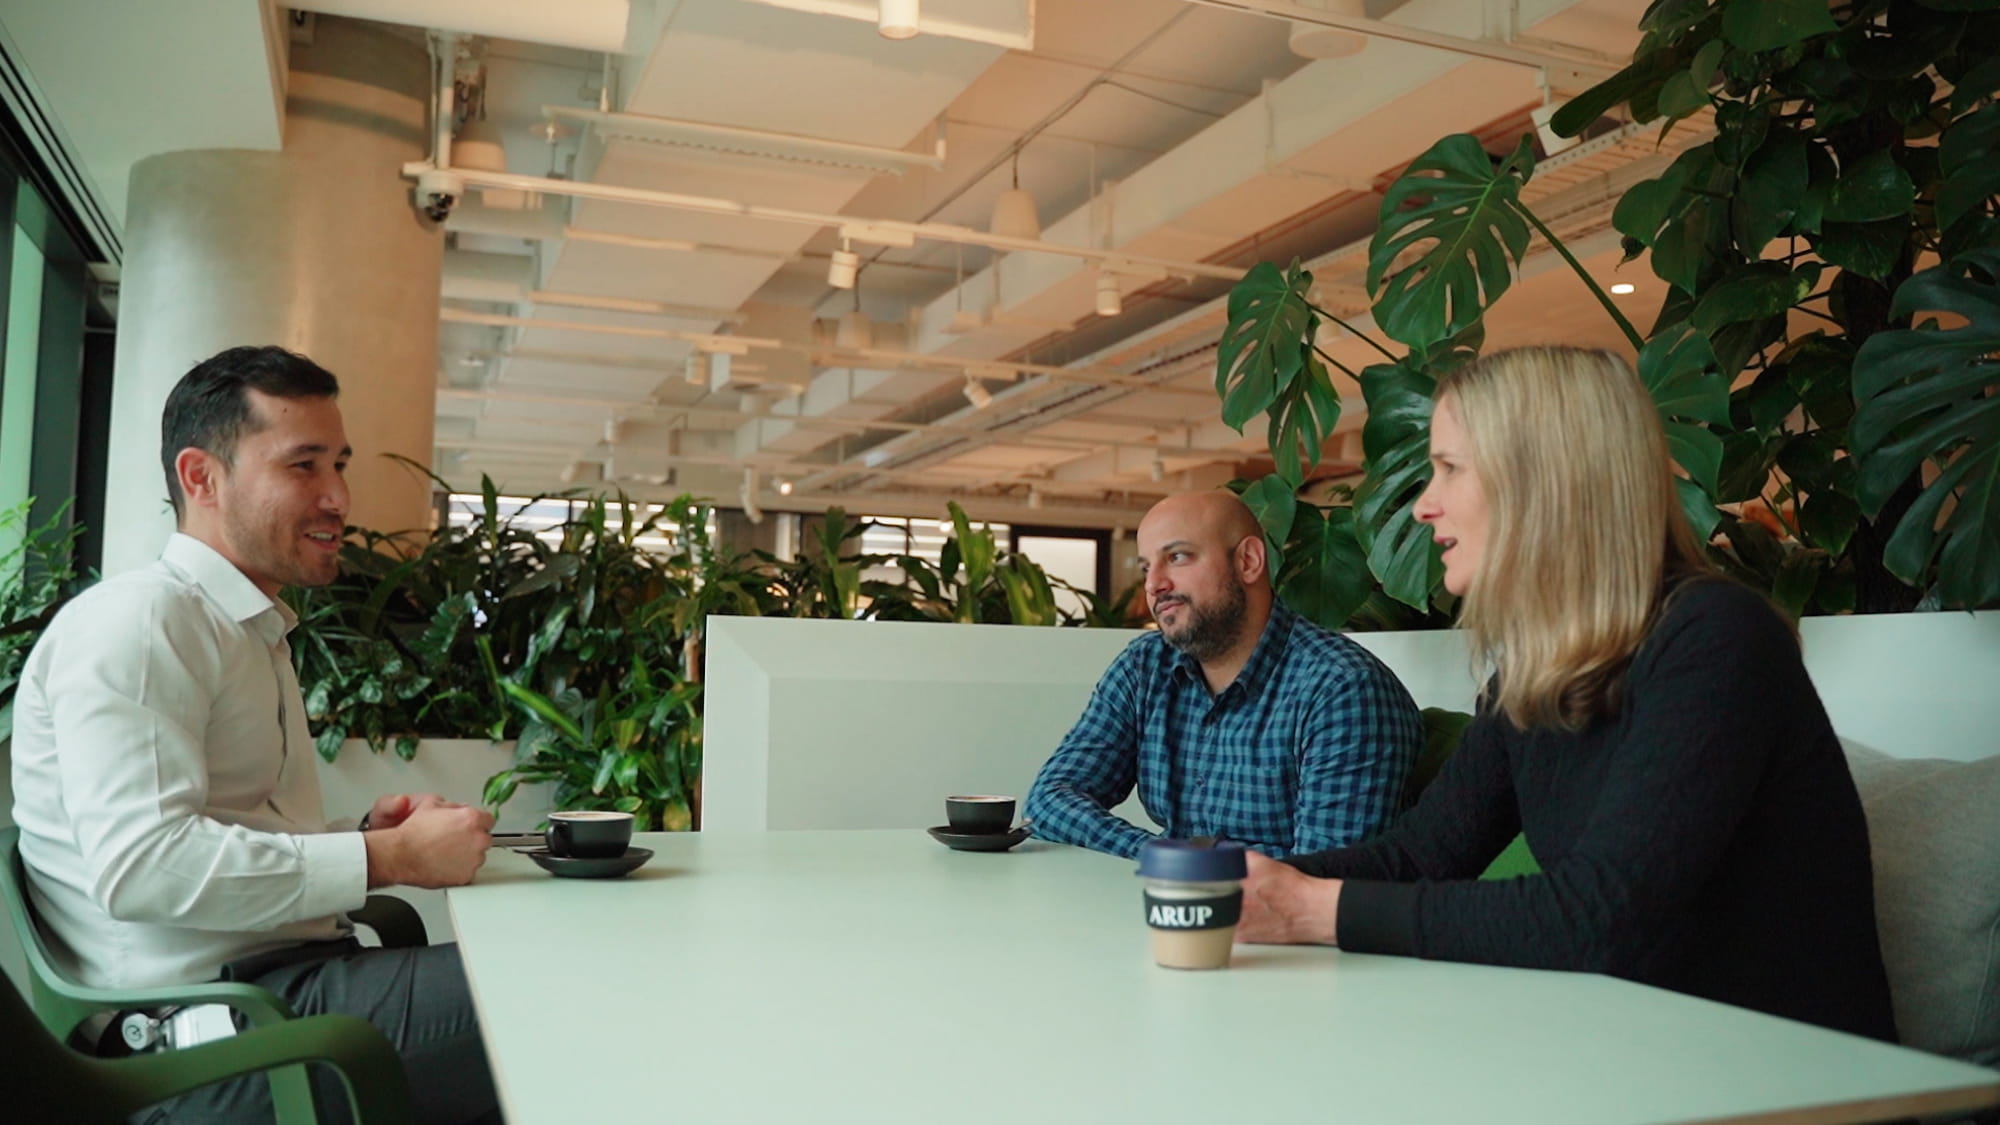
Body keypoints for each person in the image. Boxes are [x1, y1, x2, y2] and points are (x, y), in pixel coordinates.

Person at [1236, 346, 1895, 1041]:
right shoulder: (1536, 668)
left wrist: (1313, 910)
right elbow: (1417, 857)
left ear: (1543, 479)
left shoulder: (1716, 638)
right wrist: (1242, 879)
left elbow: (1601, 918)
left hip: (1792, 1081)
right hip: (1630, 1052)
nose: (1424, 506)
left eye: (1450, 468)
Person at [10, 346, 503, 1122]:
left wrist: (360, 836)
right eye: (303, 465)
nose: (339, 495)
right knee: (573, 989)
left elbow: (218, 831)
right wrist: (387, 856)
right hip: (209, 1044)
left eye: (338, 463)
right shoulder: (141, 623)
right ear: (201, 477)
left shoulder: (241, 628)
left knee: (564, 983)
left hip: (277, 989)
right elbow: (142, 866)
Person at [1024, 490, 1423, 859]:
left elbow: (1323, 877)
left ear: (1248, 561)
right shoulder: (1145, 667)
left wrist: (1184, 863)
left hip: (1283, 932)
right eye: (1147, 566)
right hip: (1178, 912)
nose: (1154, 584)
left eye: (1177, 557)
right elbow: (1050, 798)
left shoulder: (1342, 689)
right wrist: (1165, 856)